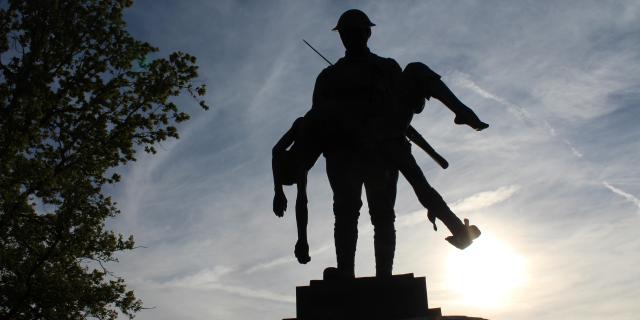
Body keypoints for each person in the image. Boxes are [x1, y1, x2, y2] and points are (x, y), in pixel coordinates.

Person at [272, 61, 488, 264]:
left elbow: (289, 175)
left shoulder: (379, 67)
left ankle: (458, 231)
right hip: (363, 141)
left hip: (384, 131)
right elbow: (301, 201)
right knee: (404, 194)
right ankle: (458, 231)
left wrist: (279, 194)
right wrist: (300, 237)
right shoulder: (324, 89)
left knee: (401, 198)